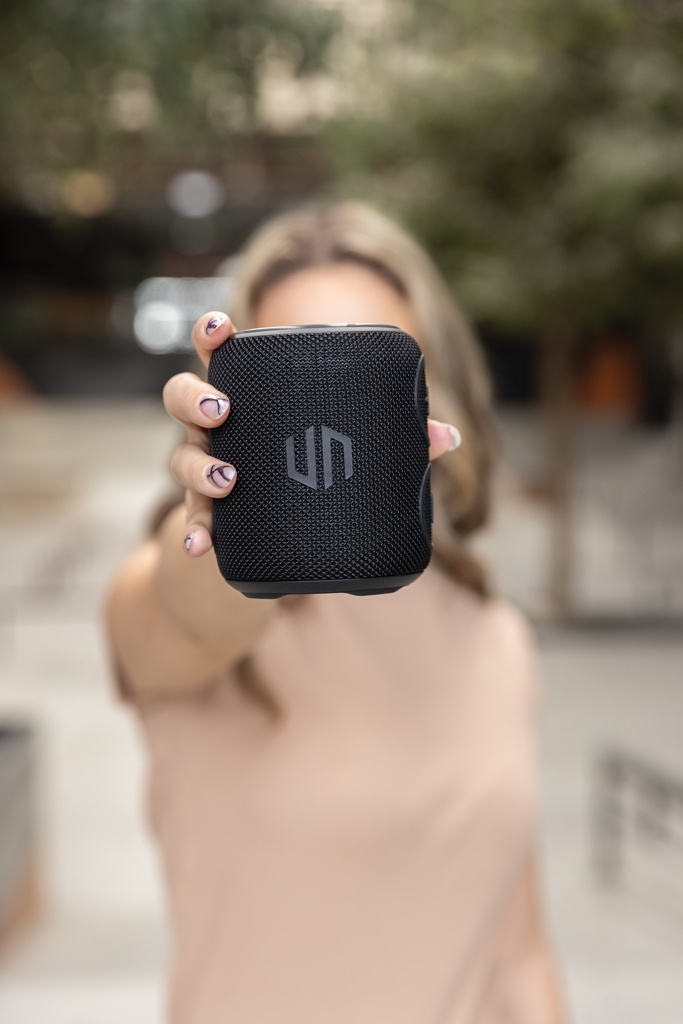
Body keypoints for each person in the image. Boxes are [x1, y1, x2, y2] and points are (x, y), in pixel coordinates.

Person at [105, 201, 567, 1023]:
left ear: (429, 389)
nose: (329, 404)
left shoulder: (493, 634)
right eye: (298, 364)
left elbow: (517, 951)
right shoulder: (186, 597)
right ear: (227, 398)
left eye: (359, 360)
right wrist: (216, 523)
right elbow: (190, 610)